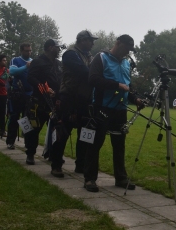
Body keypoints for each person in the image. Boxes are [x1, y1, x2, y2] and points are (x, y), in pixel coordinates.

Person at [83, 34, 145, 192]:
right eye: (126, 48)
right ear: (118, 43)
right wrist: (116, 85)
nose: (127, 52)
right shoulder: (101, 58)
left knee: (119, 145)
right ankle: (89, 179)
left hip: (120, 109)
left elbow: (128, 87)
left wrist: (135, 99)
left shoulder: (126, 63)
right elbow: (93, 79)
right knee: (95, 143)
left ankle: (121, 178)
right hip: (102, 107)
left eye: (130, 50)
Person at [57, 29, 98, 173]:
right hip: (69, 97)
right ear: (83, 40)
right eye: (91, 40)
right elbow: (83, 71)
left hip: (85, 99)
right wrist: (97, 75)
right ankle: (56, 165)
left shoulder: (89, 56)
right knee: (63, 131)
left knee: (85, 133)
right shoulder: (70, 54)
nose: (93, 44)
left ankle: (81, 165)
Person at [27, 38, 65, 173]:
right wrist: (43, 87)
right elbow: (31, 78)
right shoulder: (38, 61)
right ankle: (30, 153)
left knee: (57, 130)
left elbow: (61, 80)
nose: (59, 49)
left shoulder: (59, 64)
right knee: (35, 128)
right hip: (40, 101)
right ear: (50, 47)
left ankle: (54, 156)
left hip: (55, 102)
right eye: (57, 47)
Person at [6, 43, 33, 149]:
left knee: (27, 119)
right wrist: (26, 67)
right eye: (26, 50)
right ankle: (10, 141)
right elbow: (12, 71)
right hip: (17, 93)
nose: (29, 52)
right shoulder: (16, 60)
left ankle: (27, 142)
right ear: (21, 51)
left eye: (30, 50)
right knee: (14, 117)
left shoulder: (33, 61)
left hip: (29, 94)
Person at [0, 54, 9, 138]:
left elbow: (8, 80)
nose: (5, 62)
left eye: (6, 60)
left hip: (3, 94)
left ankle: (2, 130)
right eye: (4, 60)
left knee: (2, 113)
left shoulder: (6, 70)